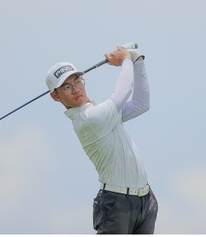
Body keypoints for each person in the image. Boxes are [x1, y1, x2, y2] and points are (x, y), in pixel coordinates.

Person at [46, 44, 157, 234]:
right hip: (116, 204)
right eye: (66, 87)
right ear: (55, 97)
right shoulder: (89, 119)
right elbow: (123, 92)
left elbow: (141, 104)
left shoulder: (101, 114)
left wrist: (137, 60)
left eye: (78, 81)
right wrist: (126, 60)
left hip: (145, 201)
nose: (75, 89)